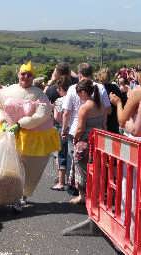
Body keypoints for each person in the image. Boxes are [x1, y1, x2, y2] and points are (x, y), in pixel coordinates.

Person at [0, 61, 60, 211]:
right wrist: (2, 120)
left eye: (29, 75)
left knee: (27, 168)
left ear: (32, 77)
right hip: (8, 134)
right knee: (10, 166)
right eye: (23, 74)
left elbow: (43, 114)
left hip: (30, 138)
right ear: (18, 74)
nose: (26, 77)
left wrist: (22, 124)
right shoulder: (6, 91)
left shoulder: (39, 94)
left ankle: (21, 195)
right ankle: (10, 194)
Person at [61, 63, 111, 195]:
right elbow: (108, 110)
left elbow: (67, 114)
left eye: (79, 94)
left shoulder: (76, 95)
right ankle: (96, 192)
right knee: (96, 166)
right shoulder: (100, 90)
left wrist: (66, 131)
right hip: (99, 136)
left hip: (81, 136)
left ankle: (81, 194)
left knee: (79, 166)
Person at [72, 79, 104, 204]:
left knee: (81, 170)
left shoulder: (84, 108)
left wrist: (75, 137)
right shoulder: (100, 105)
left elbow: (80, 128)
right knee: (97, 170)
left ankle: (83, 196)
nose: (79, 96)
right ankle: (96, 196)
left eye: (79, 93)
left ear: (83, 92)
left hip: (85, 142)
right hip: (99, 140)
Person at [51, 76, 71, 191]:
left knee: (62, 154)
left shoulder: (59, 101)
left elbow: (57, 118)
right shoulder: (75, 98)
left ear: (60, 88)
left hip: (62, 128)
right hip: (73, 128)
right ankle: (71, 180)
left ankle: (61, 181)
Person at [96, 68, 125, 134]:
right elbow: (122, 101)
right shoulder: (115, 87)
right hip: (114, 120)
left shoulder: (98, 88)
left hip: (102, 121)